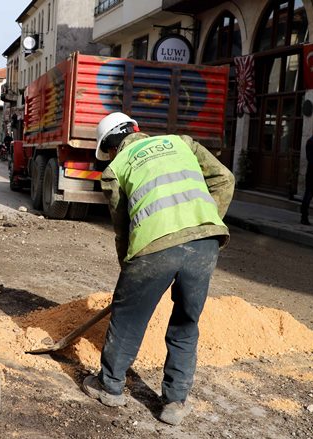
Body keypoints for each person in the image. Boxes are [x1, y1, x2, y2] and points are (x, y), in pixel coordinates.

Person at [82, 112, 235, 426]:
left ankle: (110, 387)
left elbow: (122, 229)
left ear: (110, 147)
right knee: (186, 323)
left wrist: (128, 269)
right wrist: (206, 221)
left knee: (128, 319)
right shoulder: (182, 143)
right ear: (136, 130)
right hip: (204, 241)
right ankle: (175, 404)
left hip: (154, 247)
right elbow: (225, 180)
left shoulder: (115, 169)